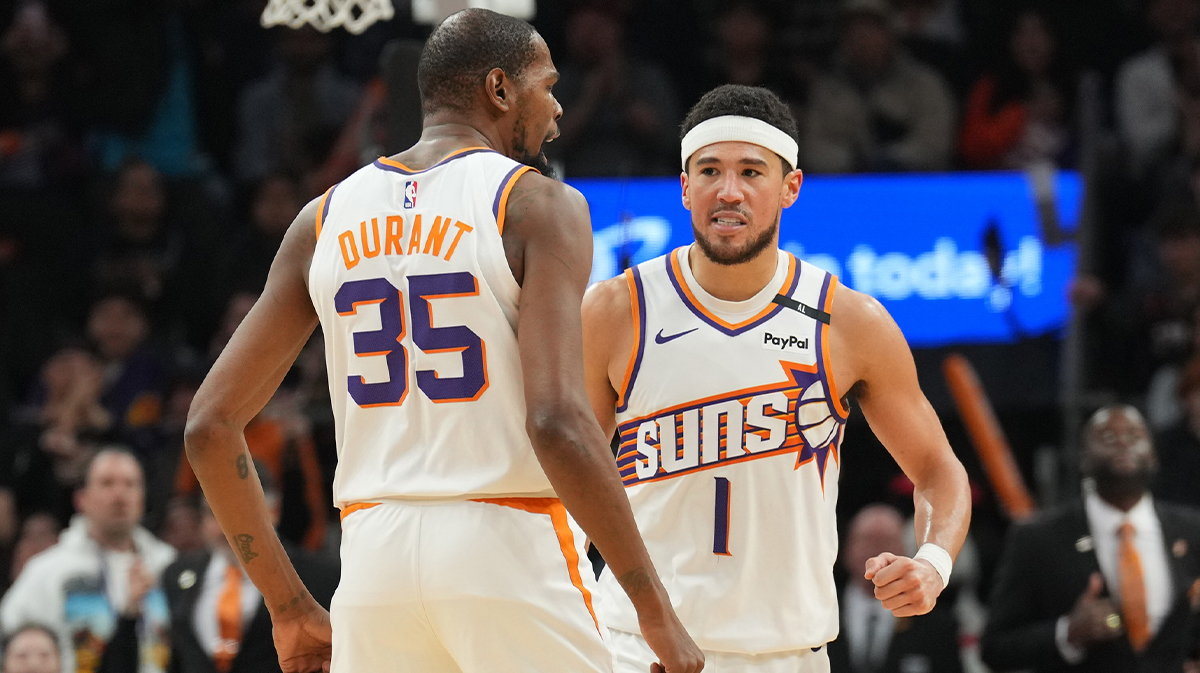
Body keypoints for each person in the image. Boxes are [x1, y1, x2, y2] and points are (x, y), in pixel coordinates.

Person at [183, 8, 702, 673]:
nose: (560, 108)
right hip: (507, 539)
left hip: (373, 558)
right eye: (547, 85)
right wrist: (653, 609)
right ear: (499, 89)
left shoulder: (323, 218)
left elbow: (208, 425)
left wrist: (288, 606)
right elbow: (556, 419)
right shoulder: (538, 204)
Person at [580, 83, 971, 672]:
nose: (728, 191)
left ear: (790, 187)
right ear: (685, 187)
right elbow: (560, 479)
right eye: (709, 170)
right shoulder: (615, 310)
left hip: (788, 653)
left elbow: (939, 471)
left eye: (751, 171)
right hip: (642, 647)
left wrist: (933, 564)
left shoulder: (849, 322)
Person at [981, 405, 1200, 672]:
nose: (1122, 443)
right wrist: (1067, 634)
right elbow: (994, 648)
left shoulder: (1192, 532)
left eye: (1134, 436)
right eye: (1108, 437)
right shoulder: (1037, 539)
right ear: (1083, 458)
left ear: (1153, 455)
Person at [0, 448, 176, 673]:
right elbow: (9, 638)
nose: (119, 495)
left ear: (143, 498)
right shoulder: (48, 570)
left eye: (130, 484)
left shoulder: (168, 565)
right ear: (81, 499)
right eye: (107, 483)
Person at [163, 466, 337, 673]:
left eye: (239, 513)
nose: (226, 527)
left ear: (274, 511)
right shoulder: (176, 575)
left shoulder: (323, 578)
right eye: (214, 512)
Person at [828, 505, 964, 673]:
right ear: (846, 549)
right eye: (866, 540)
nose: (875, 550)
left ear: (905, 548)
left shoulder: (937, 626)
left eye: (887, 541)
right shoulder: (820, 612)